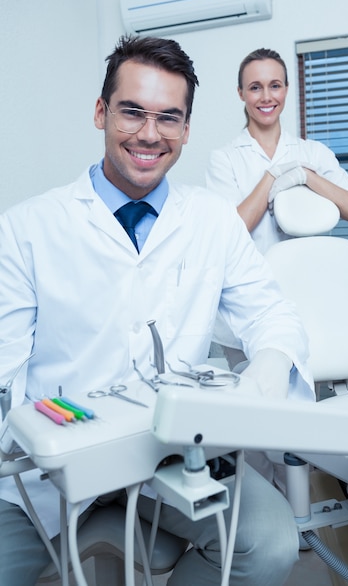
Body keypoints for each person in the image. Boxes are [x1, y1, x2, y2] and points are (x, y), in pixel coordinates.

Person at [0, 35, 315, 586]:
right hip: (50, 469)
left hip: (172, 456)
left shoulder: (212, 220)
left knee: (271, 543)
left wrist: (263, 373)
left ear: (187, 129)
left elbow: (273, 314)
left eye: (169, 118)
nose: (150, 134)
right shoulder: (26, 228)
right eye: (132, 112)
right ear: (101, 112)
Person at [206, 47, 348, 370]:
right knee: (261, 400)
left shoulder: (313, 153)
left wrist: (306, 176)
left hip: (311, 298)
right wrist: (272, 177)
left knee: (317, 393)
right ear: (241, 93)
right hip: (248, 310)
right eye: (255, 87)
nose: (266, 96)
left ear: (286, 89)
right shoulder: (225, 159)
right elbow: (232, 231)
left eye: (275, 85)